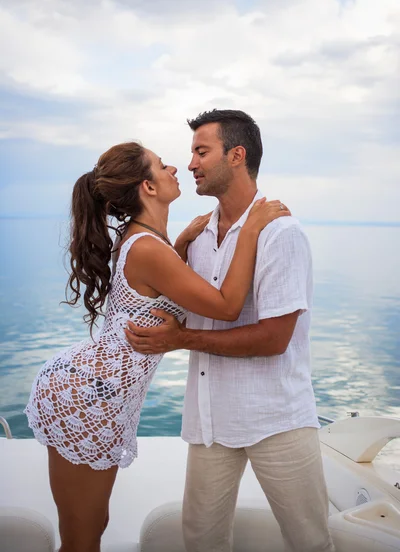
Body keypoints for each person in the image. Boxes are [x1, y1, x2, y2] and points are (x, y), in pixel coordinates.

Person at [24, 141, 289, 552]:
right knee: (83, 536)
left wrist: (180, 243)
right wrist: (252, 227)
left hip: (100, 390)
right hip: (88, 396)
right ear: (148, 187)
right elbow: (226, 306)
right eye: (163, 166)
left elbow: (154, 292)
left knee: (93, 525)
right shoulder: (147, 247)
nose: (175, 169)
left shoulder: (146, 240)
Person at [125, 110, 335, 552]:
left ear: (236, 155)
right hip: (210, 420)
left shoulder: (280, 234)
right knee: (201, 540)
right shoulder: (199, 236)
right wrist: (179, 244)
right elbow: (178, 303)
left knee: (309, 542)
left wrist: (183, 339)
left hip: (277, 418)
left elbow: (274, 339)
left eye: (202, 151)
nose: (191, 163)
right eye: (192, 153)